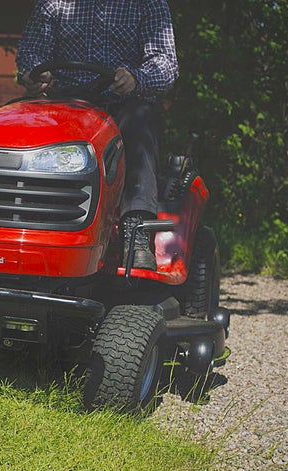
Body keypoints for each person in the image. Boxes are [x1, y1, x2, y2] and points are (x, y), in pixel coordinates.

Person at [16, 0, 179, 270]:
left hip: (123, 102)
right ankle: (23, 224)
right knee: (22, 129)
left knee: (141, 121)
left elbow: (165, 63)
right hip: (65, 102)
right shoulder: (55, 4)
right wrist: (34, 72)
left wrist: (136, 78)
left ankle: (136, 230)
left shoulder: (147, 4)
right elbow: (31, 52)